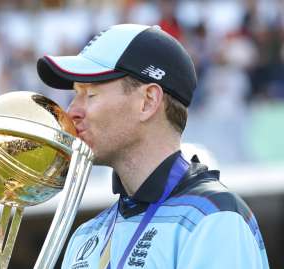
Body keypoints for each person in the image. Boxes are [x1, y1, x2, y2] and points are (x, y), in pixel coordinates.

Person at [36, 24, 269, 269]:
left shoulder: (213, 220)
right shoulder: (86, 235)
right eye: (75, 94)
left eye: (90, 94)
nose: (72, 112)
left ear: (147, 102)